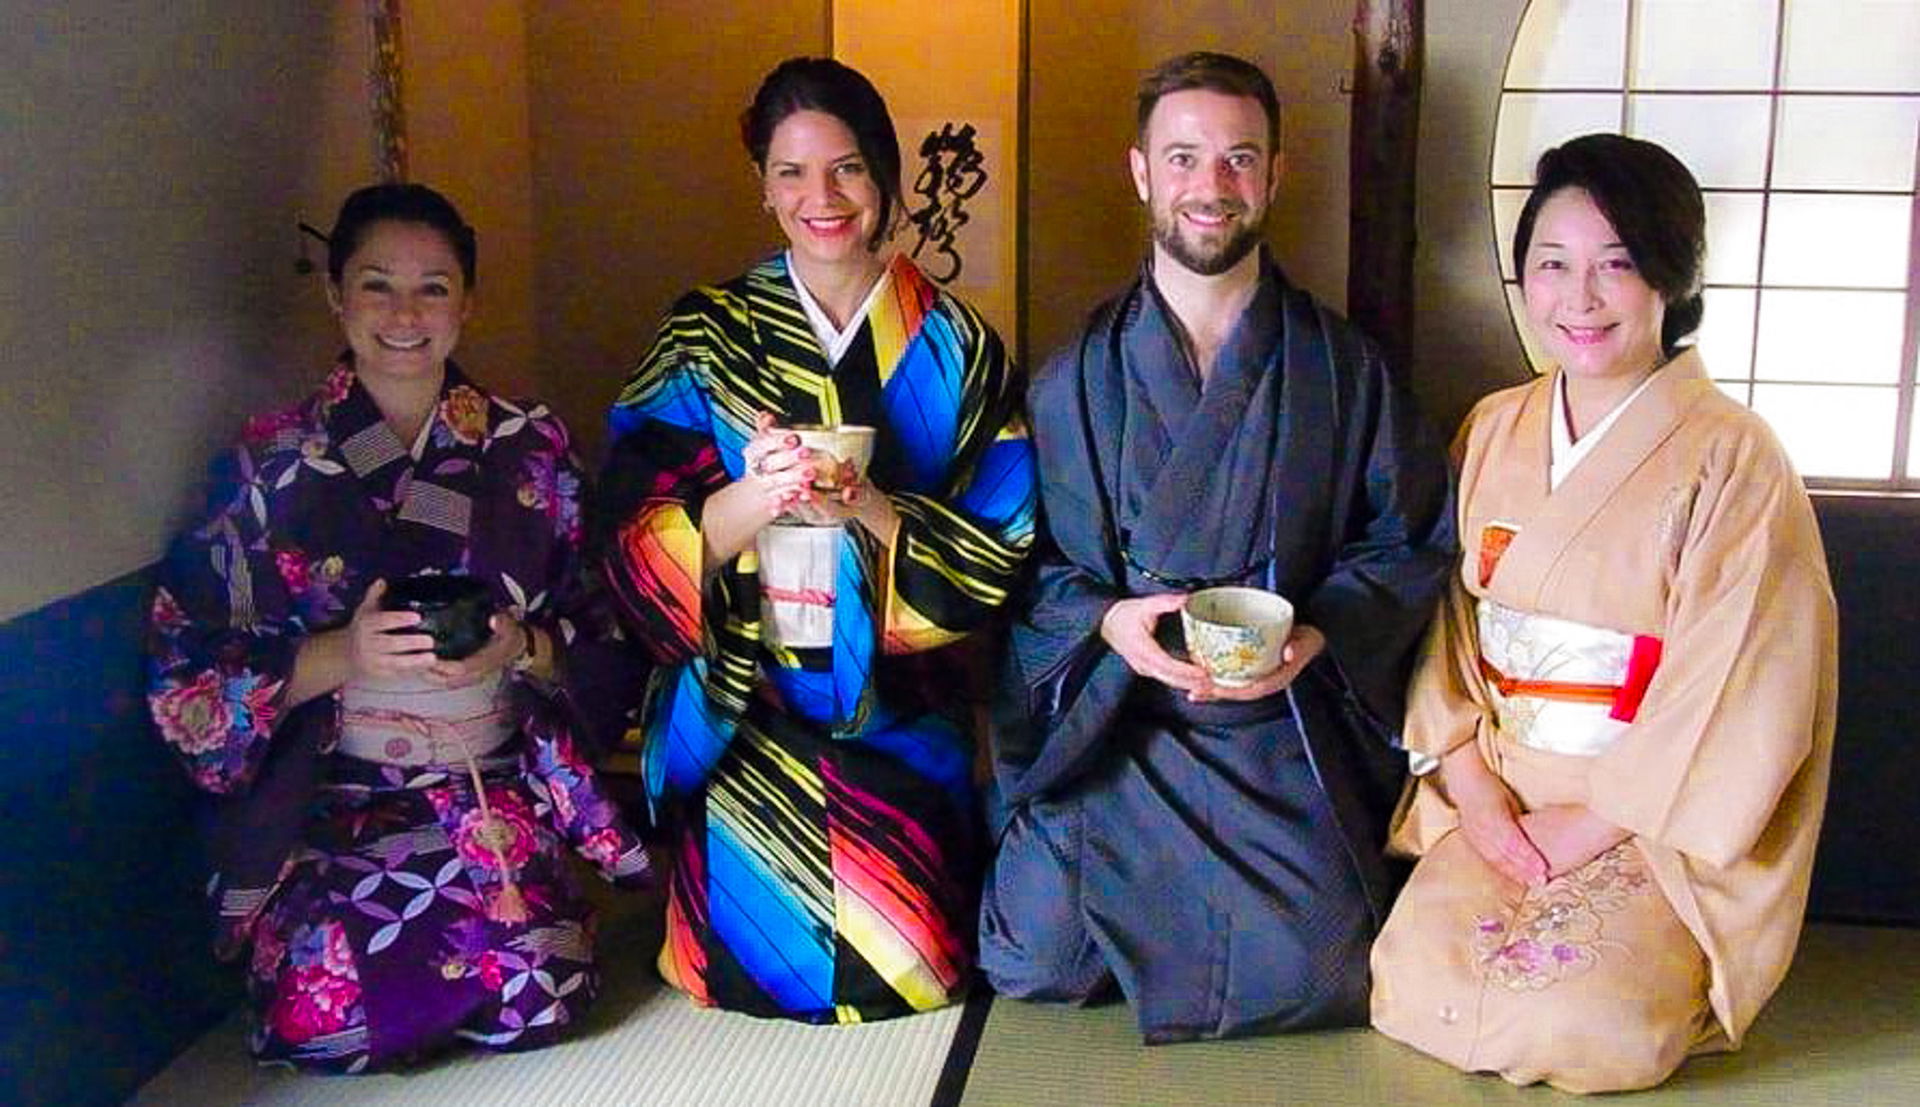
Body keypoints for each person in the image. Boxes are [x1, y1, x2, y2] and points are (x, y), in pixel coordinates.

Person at [979, 51, 1456, 1041]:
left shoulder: (1342, 368)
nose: (1212, 186)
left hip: (1280, 728)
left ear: (1276, 175)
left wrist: (1320, 634)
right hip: (1124, 725)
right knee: (1028, 958)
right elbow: (1033, 571)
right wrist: (1110, 621)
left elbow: (1407, 541)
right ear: (1142, 172)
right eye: (1185, 157)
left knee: (1324, 970)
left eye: (1240, 159)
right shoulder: (1077, 377)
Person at [1368, 134, 1838, 1093]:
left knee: (1588, 1019)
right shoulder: (1494, 426)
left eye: (1616, 265)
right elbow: (1449, 627)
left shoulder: (1736, 458)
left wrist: (1592, 823)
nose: (1579, 299)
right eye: (1553, 265)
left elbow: (1745, 679)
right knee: (1408, 982)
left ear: (1672, 275)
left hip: (1652, 819)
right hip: (1500, 794)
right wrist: (1477, 787)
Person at [148, 184, 651, 1072]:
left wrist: (521, 648)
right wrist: (342, 653)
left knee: (543, 990)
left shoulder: (528, 447)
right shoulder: (270, 462)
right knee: (325, 1014)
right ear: (338, 296)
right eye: (378, 286)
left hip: (488, 789)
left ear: (467, 303)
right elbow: (189, 661)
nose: (406, 314)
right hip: (339, 802)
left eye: (434, 287)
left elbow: (601, 622)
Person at [595, 57, 1036, 1023]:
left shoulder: (957, 343)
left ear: (884, 179)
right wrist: (754, 499)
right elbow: (625, 532)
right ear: (762, 184)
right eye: (791, 173)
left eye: (844, 169)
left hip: (894, 703)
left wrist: (872, 508)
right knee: (733, 955)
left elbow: (1004, 539)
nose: (820, 198)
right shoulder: (706, 333)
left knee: (913, 963)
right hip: (745, 703)